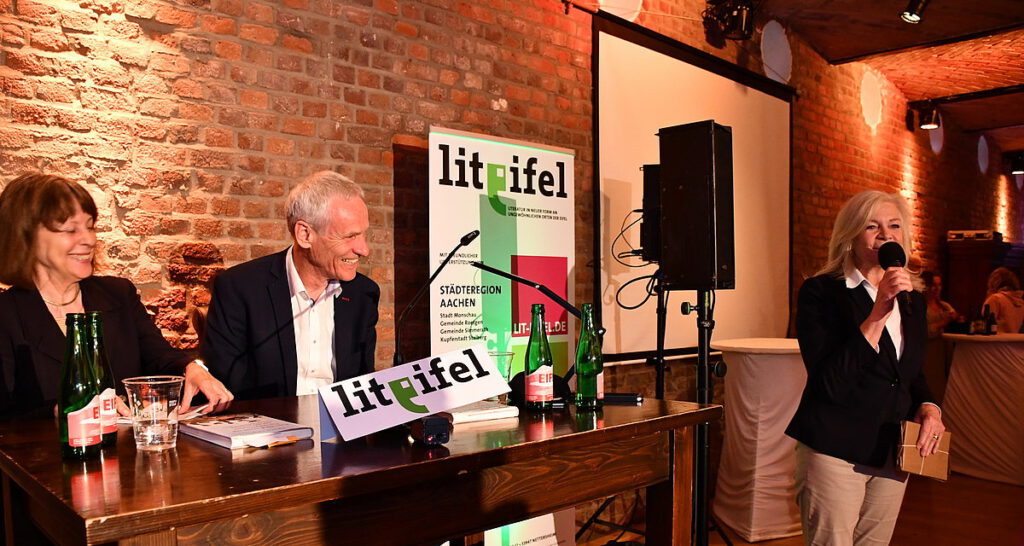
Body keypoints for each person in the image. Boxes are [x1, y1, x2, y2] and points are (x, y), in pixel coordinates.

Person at [0, 173, 233, 419]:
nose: (88, 240)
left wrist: (192, 368)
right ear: (26, 238)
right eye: (70, 230)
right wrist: (66, 410)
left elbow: (162, 358)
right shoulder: (7, 313)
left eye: (90, 227)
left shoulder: (119, 294)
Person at [785, 190, 944, 546]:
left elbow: (910, 373)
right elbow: (829, 382)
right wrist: (877, 314)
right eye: (872, 226)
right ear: (850, 237)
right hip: (833, 449)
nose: (886, 235)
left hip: (891, 449)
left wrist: (930, 408)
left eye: (894, 226)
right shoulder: (821, 292)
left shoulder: (913, 299)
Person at [201, 171, 379, 400]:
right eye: (350, 236)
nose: (364, 250)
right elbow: (223, 389)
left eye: (363, 235)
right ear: (305, 234)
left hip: (341, 434)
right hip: (268, 432)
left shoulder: (363, 294)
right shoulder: (239, 288)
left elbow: (362, 386)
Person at [982, 267, 1024, 334]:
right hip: (1014, 342)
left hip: (995, 342)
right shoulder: (1020, 301)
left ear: (994, 281)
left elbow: (985, 325)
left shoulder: (995, 299)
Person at [922, 271, 960, 339]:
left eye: (939, 285)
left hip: (945, 347)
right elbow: (922, 332)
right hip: (929, 347)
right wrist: (943, 322)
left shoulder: (945, 305)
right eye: (934, 285)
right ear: (925, 286)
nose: (937, 288)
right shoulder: (921, 307)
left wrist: (957, 318)